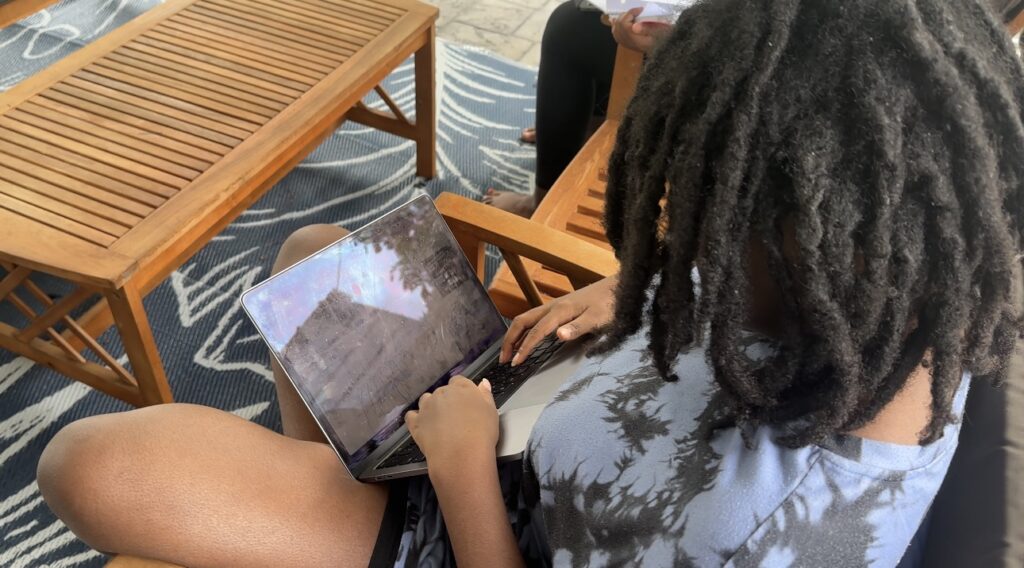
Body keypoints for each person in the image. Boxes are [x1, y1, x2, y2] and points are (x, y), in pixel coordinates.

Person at [35, 0, 1024, 565]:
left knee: (91, 464)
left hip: (475, 525)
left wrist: (462, 470)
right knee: (317, 257)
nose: (684, 248)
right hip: (520, 425)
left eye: (705, 232)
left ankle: (350, 497)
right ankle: (349, 475)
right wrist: (636, 295)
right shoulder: (910, 298)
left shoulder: (755, 539)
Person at [485, 2, 671, 217]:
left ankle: (545, 203)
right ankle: (584, 130)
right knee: (595, 11)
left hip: (709, 58)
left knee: (567, 30)